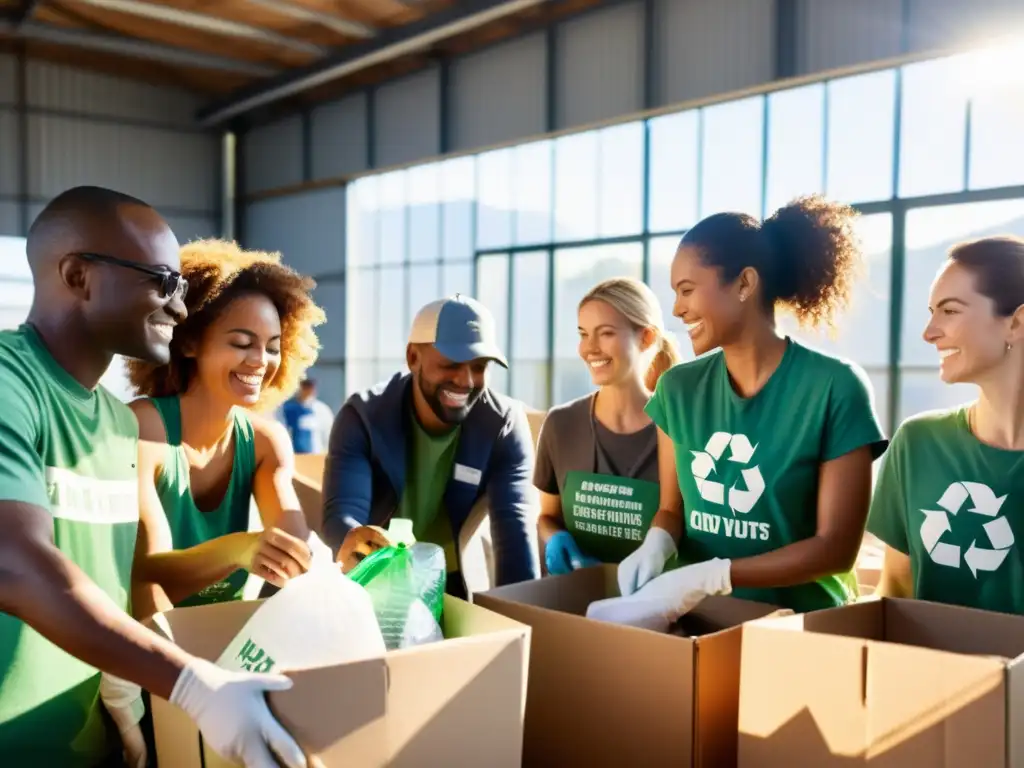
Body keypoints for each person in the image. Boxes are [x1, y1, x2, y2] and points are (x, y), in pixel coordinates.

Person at [0, 186, 308, 768]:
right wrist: (191, 685)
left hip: (90, 741)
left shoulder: (117, 426)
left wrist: (121, 691)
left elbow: (119, 579)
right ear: (77, 275)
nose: (181, 308)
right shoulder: (9, 384)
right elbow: (14, 563)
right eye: (162, 282)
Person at [612, 195, 888, 624]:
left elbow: (836, 547)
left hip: (801, 624)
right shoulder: (678, 388)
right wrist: (657, 543)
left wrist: (716, 574)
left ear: (744, 284)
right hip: (700, 618)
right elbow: (673, 509)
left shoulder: (834, 388)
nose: (678, 308)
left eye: (687, 290)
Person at [126, 239, 327, 615]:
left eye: (271, 346)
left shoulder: (267, 442)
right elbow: (147, 574)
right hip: (149, 647)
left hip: (231, 641)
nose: (260, 361)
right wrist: (238, 549)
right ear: (187, 342)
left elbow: (297, 558)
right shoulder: (143, 430)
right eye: (241, 343)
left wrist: (350, 558)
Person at [322, 294, 541, 598]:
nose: (465, 381)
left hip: (453, 581)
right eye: (451, 364)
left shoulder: (502, 425)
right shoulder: (363, 417)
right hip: (375, 578)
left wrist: (523, 620)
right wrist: (357, 541)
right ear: (413, 358)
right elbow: (343, 513)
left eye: (479, 367)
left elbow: (515, 535)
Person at [868, 236, 1024, 614]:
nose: (929, 332)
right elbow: (896, 589)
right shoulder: (917, 443)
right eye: (931, 311)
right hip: (933, 669)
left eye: (949, 311)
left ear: (1016, 322)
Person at [534, 277, 681, 574]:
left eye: (605, 334)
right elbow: (548, 516)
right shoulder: (560, 425)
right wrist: (555, 538)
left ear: (647, 338)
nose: (589, 348)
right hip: (576, 601)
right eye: (583, 334)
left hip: (658, 610)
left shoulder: (679, 428)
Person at [281, 378, 335, 454]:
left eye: (310, 387)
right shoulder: (288, 408)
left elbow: (328, 433)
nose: (308, 391)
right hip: (294, 454)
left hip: (315, 454)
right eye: (305, 387)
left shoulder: (321, 409)